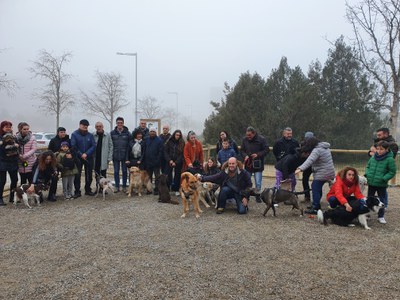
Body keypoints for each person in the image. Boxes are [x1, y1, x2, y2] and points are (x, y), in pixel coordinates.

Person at [295, 137, 335, 214]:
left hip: (322, 172)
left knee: (315, 188)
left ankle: (316, 207)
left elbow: (310, 160)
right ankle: (316, 204)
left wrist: (300, 168)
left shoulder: (317, 150)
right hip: (330, 171)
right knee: (319, 188)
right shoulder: (325, 148)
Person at [365, 140, 396, 224]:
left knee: (381, 201)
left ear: (387, 149)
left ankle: (381, 216)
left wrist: (384, 178)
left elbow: (392, 172)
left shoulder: (390, 159)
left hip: (381, 184)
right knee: (369, 199)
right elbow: (368, 166)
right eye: (377, 149)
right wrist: (367, 174)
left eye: (381, 149)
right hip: (371, 183)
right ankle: (367, 214)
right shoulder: (373, 157)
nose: (379, 151)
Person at [368, 127, 398, 209]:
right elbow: (370, 153)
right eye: (377, 135)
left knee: (382, 191)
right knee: (372, 192)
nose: (377, 136)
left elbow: (390, 156)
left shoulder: (393, 144)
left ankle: (384, 206)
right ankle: (372, 207)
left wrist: (374, 152)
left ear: (386, 134)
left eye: (379, 135)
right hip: (375, 171)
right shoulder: (378, 142)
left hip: (383, 171)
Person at [71, 119, 96, 197]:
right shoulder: (74, 134)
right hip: (78, 158)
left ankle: (88, 189)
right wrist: (81, 154)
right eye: (83, 125)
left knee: (89, 175)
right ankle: (77, 191)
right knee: (77, 175)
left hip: (88, 157)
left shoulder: (90, 135)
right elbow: (73, 146)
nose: (85, 127)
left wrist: (86, 154)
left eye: (86, 126)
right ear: (80, 125)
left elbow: (93, 145)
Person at [240, 126, 269, 192]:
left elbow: (266, 150)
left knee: (258, 182)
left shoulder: (262, 139)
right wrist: (245, 156)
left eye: (249, 135)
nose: (248, 137)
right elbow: (242, 150)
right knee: (246, 181)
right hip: (248, 164)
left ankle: (257, 195)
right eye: (247, 135)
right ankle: (246, 195)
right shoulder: (244, 140)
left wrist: (258, 154)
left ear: (254, 133)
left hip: (258, 163)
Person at [0, 121, 19, 205]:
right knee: (2, 181)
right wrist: (13, 146)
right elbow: (3, 148)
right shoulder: (0, 137)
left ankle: (12, 197)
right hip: (2, 161)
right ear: (2, 128)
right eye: (6, 127)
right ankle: (0, 199)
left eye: (9, 127)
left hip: (13, 161)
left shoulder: (14, 137)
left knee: (15, 179)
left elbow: (18, 147)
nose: (8, 128)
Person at [110, 117, 131, 193]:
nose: (120, 124)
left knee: (125, 171)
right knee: (116, 171)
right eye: (118, 123)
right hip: (115, 155)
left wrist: (128, 157)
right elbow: (110, 144)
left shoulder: (127, 133)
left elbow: (129, 145)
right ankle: (117, 186)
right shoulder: (112, 133)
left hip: (124, 155)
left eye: (121, 123)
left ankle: (124, 186)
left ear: (123, 123)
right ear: (116, 123)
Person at [142, 127, 164, 195]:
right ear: (149, 132)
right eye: (151, 131)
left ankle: (157, 189)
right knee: (149, 177)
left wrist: (157, 161)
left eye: (153, 131)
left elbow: (160, 152)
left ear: (155, 132)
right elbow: (144, 150)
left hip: (156, 163)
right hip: (148, 162)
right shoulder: (146, 140)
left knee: (157, 177)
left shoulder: (159, 140)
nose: (152, 132)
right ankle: (149, 189)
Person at [164, 129, 185, 196]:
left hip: (178, 161)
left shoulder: (182, 143)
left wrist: (176, 162)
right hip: (169, 160)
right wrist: (169, 160)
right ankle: (167, 188)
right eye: (176, 135)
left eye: (179, 135)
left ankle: (176, 189)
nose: (177, 136)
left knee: (177, 175)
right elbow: (165, 152)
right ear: (174, 135)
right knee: (168, 175)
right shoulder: (169, 141)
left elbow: (182, 154)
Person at [300, 131, 314, 203]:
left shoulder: (316, 145)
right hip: (307, 165)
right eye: (307, 138)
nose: (308, 140)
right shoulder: (303, 144)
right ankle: (307, 196)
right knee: (305, 180)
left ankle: (316, 197)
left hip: (315, 165)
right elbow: (301, 154)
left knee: (317, 182)